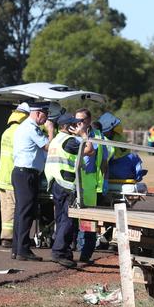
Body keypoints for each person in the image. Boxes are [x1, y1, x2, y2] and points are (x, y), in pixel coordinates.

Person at [44, 113, 96, 268]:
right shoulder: (69, 141)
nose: (77, 126)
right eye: (75, 124)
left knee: (61, 218)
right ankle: (59, 252)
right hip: (65, 184)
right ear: (67, 127)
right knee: (68, 219)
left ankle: (64, 251)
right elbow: (90, 150)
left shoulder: (56, 140)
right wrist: (84, 134)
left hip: (55, 182)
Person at [11, 101, 52, 261]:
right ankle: (23, 250)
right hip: (26, 173)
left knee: (21, 212)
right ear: (38, 113)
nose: (46, 118)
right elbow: (48, 146)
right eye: (45, 114)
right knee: (26, 212)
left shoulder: (26, 126)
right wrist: (50, 130)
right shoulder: (31, 128)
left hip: (22, 173)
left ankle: (17, 248)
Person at [72, 108, 108, 263]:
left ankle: (85, 254)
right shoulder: (70, 135)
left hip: (90, 183)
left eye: (82, 120)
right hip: (73, 181)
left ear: (89, 120)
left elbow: (104, 160)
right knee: (71, 221)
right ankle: (70, 251)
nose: (78, 123)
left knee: (88, 222)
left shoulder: (99, 137)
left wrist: (104, 181)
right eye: (76, 120)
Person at [0, 102, 30, 248]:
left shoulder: (7, 132)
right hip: (11, 178)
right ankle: (8, 239)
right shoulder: (20, 132)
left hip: (2, 177)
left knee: (6, 209)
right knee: (12, 209)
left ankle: (8, 237)